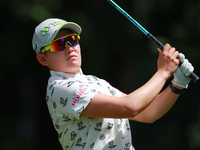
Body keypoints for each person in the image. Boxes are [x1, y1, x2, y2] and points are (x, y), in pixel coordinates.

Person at [32, 18, 194, 150]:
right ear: (43, 59)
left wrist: (177, 84)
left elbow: (147, 113)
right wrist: (163, 73)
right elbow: (130, 107)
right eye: (58, 44)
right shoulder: (59, 88)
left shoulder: (95, 82)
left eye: (72, 40)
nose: (69, 48)